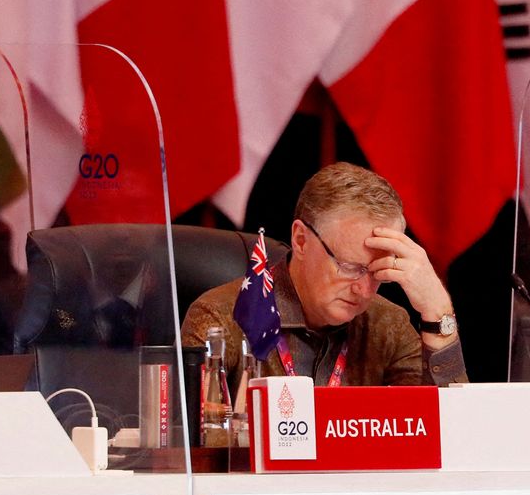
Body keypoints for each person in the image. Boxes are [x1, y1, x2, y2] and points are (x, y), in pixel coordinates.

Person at [181, 162, 467, 393]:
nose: (365, 290)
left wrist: (437, 310)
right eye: (350, 266)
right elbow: (188, 443)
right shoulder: (222, 319)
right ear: (301, 240)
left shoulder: (388, 324)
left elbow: (451, 435)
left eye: (378, 273)